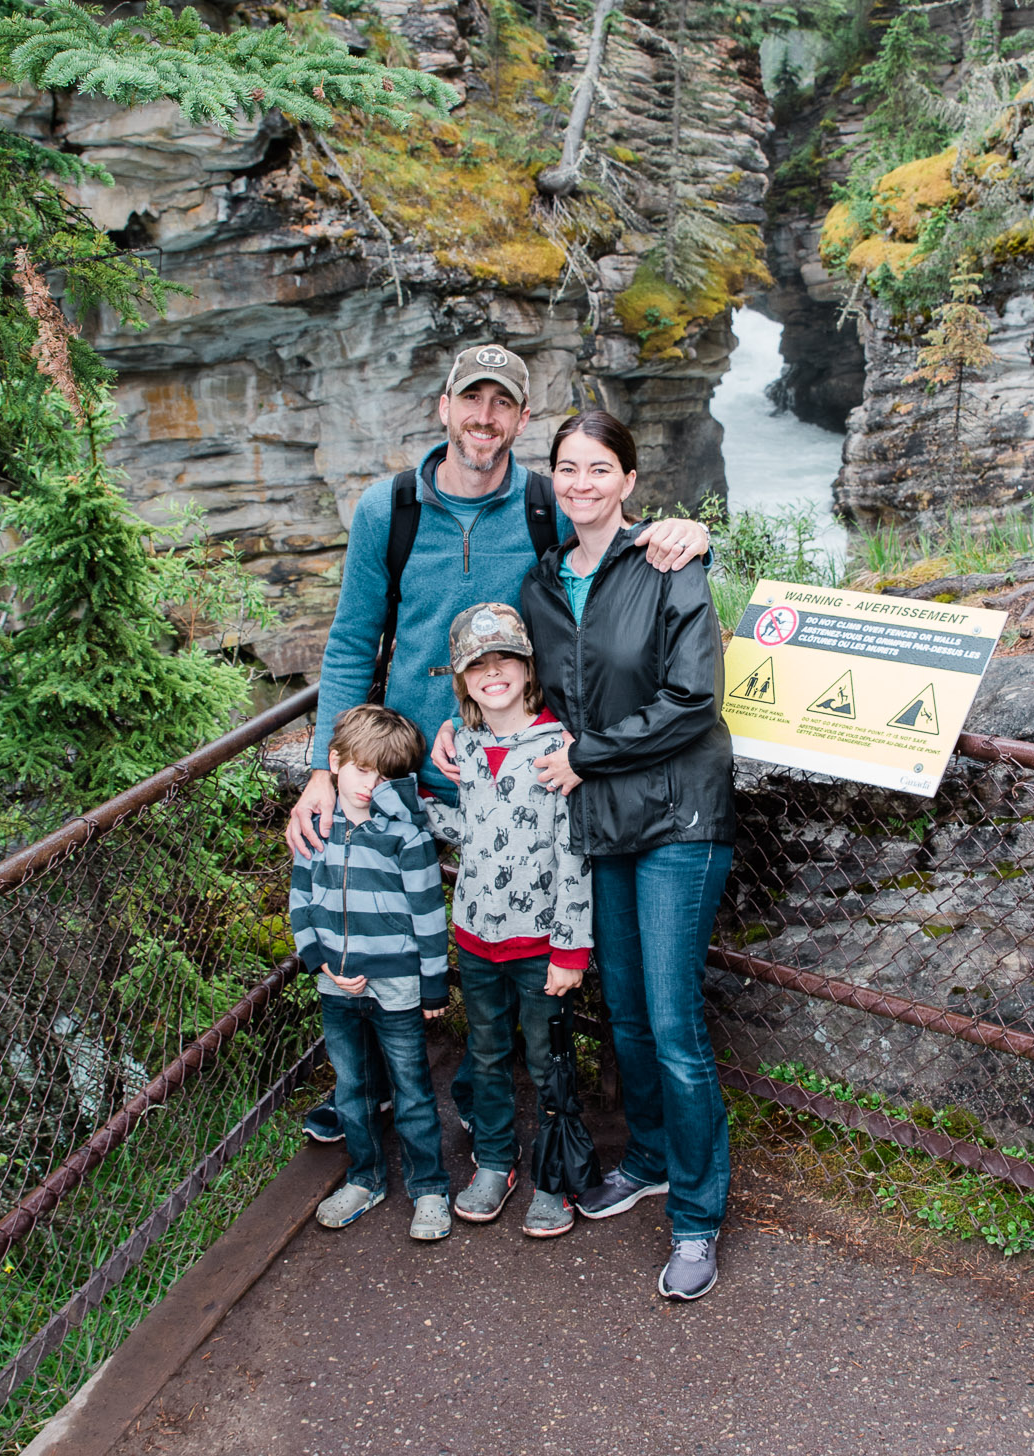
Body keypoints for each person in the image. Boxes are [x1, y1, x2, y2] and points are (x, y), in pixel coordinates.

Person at [285, 342, 711, 1145]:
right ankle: (376, 1085)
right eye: (470, 401)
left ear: (520, 417)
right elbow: (349, 643)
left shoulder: (548, 501)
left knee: (517, 926)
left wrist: (688, 531)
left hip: (520, 761)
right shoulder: (392, 507)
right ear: (443, 407)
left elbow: (615, 532)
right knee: (377, 919)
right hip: (408, 762)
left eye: (502, 404)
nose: (484, 418)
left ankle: (527, 1097)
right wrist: (323, 768)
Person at [520, 409, 736, 1304]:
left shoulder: (667, 563)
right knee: (632, 1017)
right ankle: (647, 1158)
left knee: (677, 1027)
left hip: (679, 816)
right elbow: (533, 691)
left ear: (628, 481)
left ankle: (695, 1217)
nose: (581, 483)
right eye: (567, 468)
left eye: (598, 468)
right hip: (604, 820)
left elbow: (694, 699)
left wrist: (583, 757)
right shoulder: (539, 583)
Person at [431, 601, 591, 1240]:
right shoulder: (465, 748)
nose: (493, 673)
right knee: (489, 1053)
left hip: (540, 943)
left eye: (506, 661)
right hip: (474, 937)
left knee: (549, 1058)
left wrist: (570, 949)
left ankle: (556, 1175)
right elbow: (470, 832)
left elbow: (574, 854)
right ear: (464, 679)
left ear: (528, 668)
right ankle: (496, 1161)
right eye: (478, 665)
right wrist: (401, 811)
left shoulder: (559, 750)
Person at [287, 705, 453, 1241]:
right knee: (352, 1087)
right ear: (334, 762)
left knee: (412, 1089)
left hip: (399, 983)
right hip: (334, 982)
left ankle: (428, 1187)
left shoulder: (407, 836)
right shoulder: (317, 827)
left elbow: (429, 916)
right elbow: (300, 905)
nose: (368, 784)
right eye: (359, 769)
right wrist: (322, 962)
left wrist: (433, 984)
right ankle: (365, 1178)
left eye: (383, 775)